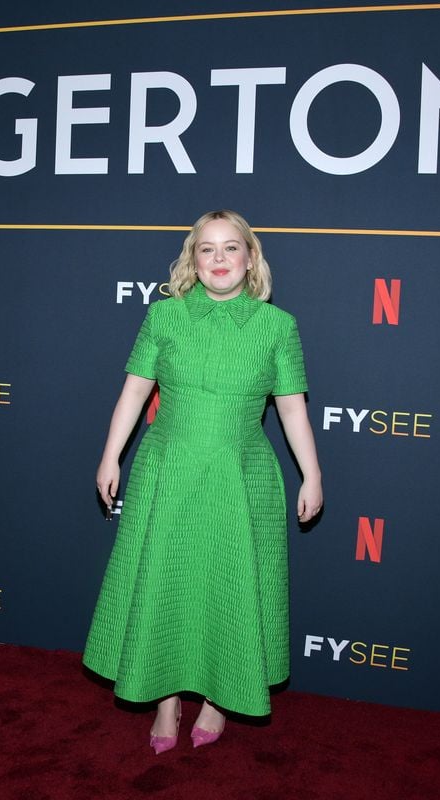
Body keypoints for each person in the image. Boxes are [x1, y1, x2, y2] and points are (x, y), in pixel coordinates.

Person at [82, 210, 323, 754]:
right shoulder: (163, 317)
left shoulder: (277, 326)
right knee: (167, 580)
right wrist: (110, 457)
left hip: (243, 477)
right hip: (168, 469)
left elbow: (292, 411)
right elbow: (134, 393)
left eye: (231, 248)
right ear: (192, 260)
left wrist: (312, 473)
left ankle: (219, 697)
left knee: (230, 583)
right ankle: (165, 698)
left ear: (250, 257)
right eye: (206, 249)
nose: (219, 259)